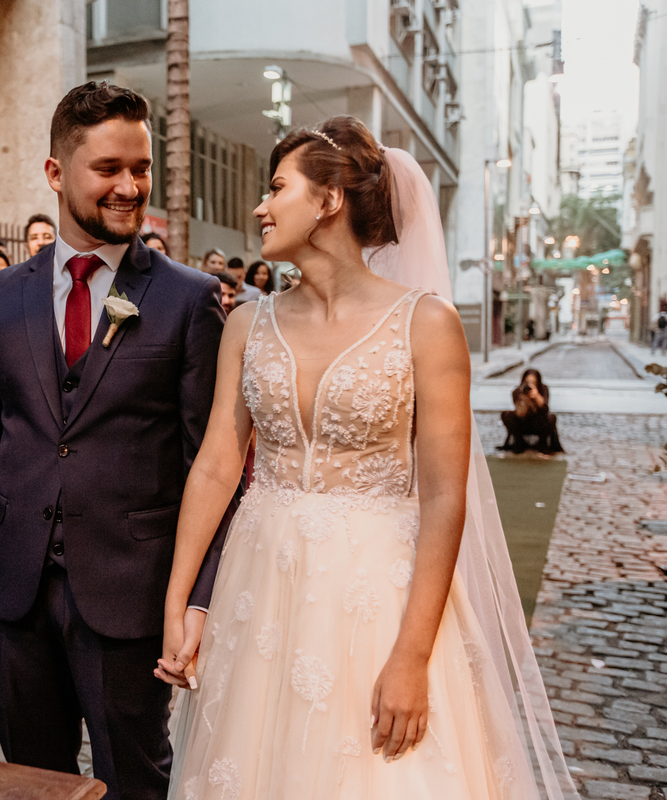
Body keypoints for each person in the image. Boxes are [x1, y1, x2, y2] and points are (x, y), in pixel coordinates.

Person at [160, 118, 576, 799]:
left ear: (328, 200)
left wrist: (412, 657)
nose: (261, 207)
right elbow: (215, 465)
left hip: (378, 591)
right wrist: (179, 603)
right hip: (260, 584)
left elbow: (445, 497)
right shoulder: (246, 323)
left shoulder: (427, 323)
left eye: (276, 187)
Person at [0, 81, 229, 800]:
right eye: (109, 169)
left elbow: (212, 466)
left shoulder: (189, 299)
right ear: (56, 172)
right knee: (30, 781)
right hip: (13, 592)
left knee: (135, 778)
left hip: (130, 595)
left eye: (141, 168)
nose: (130, 187)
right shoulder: (1, 297)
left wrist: (197, 597)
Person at [499, 368, 564, 455]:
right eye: (527, 382)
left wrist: (537, 396)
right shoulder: (517, 391)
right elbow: (519, 413)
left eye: (533, 382)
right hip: (522, 421)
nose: (529, 385)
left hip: (538, 422)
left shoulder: (543, 389)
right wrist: (524, 400)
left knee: (552, 417)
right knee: (506, 414)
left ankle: (542, 443)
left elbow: (545, 410)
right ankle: (519, 442)